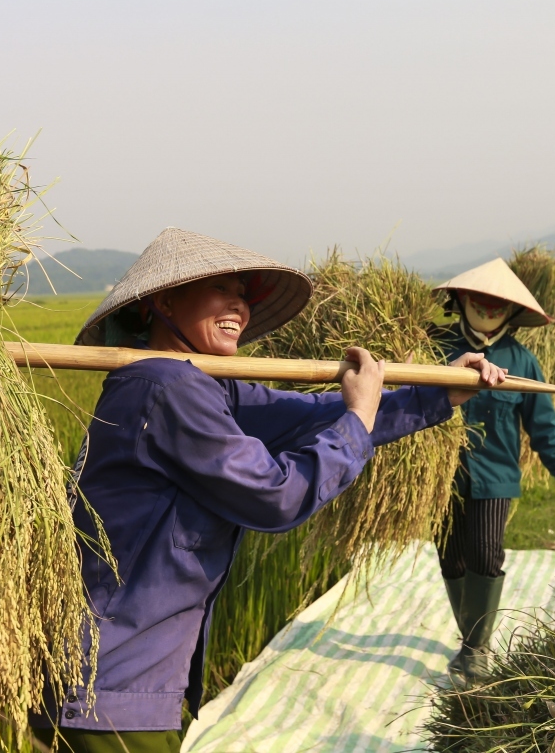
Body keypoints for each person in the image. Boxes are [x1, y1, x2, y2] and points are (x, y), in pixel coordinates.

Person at [30, 228, 506, 753]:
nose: (240, 305)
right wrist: (360, 416)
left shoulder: (205, 386)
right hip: (115, 686)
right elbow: (275, 494)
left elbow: (313, 416)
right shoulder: (167, 390)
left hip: (121, 682)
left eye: (244, 294)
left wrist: (438, 394)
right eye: (223, 290)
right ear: (164, 302)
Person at [431, 257, 555, 685]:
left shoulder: (522, 361)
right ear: (459, 300)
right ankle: (469, 637)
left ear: (512, 311)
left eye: (499, 303)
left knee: (485, 553)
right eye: (480, 300)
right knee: (452, 558)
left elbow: (544, 428)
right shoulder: (434, 348)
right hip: (440, 479)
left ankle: (476, 650)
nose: (489, 308)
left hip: (495, 476)